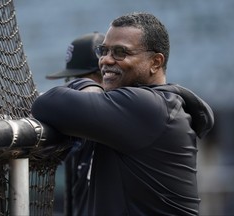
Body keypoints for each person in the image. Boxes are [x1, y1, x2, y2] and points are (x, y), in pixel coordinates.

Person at [32, 12, 214, 215]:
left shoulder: (147, 106)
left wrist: (88, 87)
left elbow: (46, 104)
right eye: (104, 51)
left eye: (120, 52)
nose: (106, 60)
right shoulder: (146, 106)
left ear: (155, 62)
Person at [45, 32, 105, 216]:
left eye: (80, 79)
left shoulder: (124, 122)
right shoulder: (77, 129)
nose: (73, 86)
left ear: (106, 76)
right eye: (71, 80)